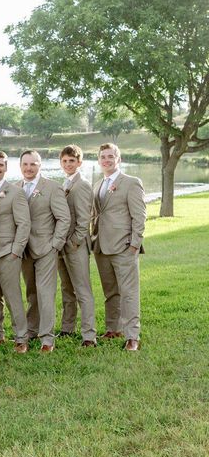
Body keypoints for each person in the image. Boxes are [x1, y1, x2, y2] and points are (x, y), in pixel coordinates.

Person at [91, 142, 146, 351]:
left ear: (118, 159)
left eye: (110, 157)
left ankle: (133, 336)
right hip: (101, 247)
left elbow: (139, 216)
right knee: (110, 292)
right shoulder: (98, 185)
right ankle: (114, 329)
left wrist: (134, 244)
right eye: (103, 157)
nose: (106, 160)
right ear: (99, 160)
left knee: (129, 292)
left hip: (123, 246)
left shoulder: (131, 183)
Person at [16, 150, 70, 353]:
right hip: (24, 250)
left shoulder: (52, 187)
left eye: (33, 164)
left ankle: (47, 338)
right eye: (25, 164)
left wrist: (55, 244)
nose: (29, 168)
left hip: (46, 248)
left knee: (45, 293)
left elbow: (64, 219)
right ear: (20, 166)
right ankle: (31, 330)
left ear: (40, 166)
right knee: (31, 292)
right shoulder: (15, 188)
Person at [0, 152, 30, 350]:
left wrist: (16, 251)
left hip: (7, 253)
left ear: (6, 168)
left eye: (0, 165)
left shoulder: (15, 192)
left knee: (13, 298)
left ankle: (21, 338)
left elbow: (24, 223)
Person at [57, 145, 97, 346]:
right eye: (64, 161)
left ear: (79, 162)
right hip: (62, 246)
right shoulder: (66, 183)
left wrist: (74, 242)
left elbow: (84, 219)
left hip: (76, 246)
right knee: (67, 288)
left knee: (82, 290)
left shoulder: (82, 185)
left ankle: (89, 335)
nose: (68, 164)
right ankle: (67, 328)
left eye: (72, 161)